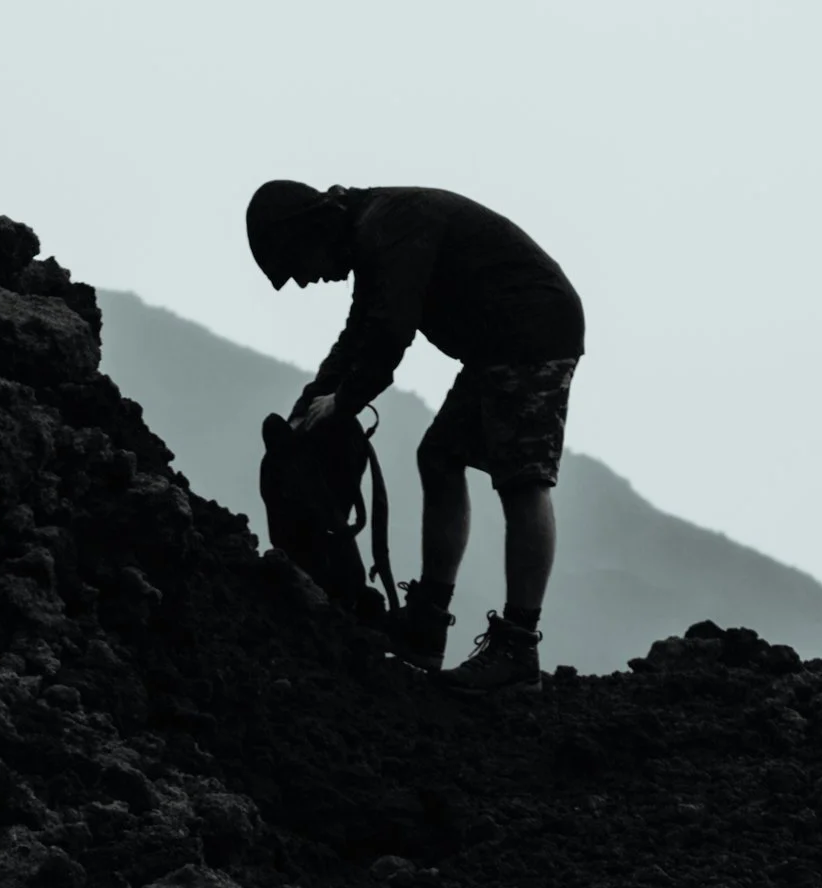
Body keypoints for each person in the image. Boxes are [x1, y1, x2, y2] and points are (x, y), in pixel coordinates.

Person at [246, 178, 586, 692]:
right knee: (440, 457)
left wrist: (343, 402)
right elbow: (359, 334)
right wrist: (304, 414)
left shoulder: (390, 222)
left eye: (300, 268)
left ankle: (518, 647)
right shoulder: (369, 233)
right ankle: (426, 626)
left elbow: (390, 330)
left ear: (310, 230)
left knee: (522, 479)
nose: (309, 281)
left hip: (532, 328)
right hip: (497, 341)